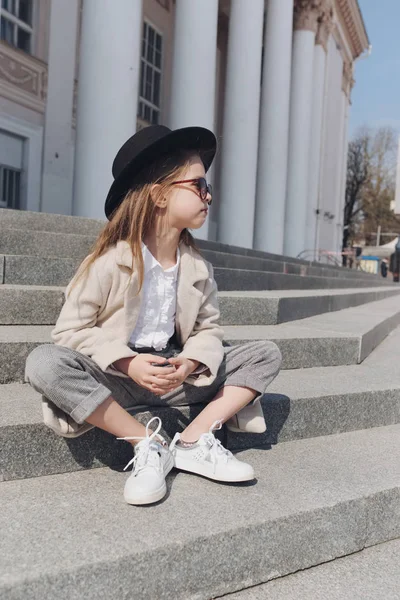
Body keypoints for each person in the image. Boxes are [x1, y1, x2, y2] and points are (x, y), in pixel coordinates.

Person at [24, 125, 282, 506]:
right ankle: (148, 444)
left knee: (265, 353)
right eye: (198, 185)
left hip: (176, 373)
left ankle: (194, 441)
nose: (207, 195)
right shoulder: (109, 261)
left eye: (207, 187)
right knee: (43, 362)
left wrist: (191, 361)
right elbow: (70, 331)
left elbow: (208, 328)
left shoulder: (197, 267)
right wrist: (128, 362)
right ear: (159, 194)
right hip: (118, 374)